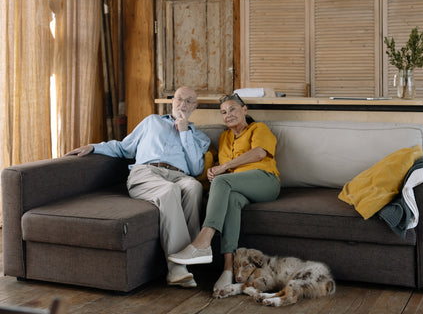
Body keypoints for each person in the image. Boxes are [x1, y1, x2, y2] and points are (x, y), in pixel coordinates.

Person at [66, 86, 211, 288]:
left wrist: (185, 130)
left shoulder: (200, 137)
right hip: (146, 173)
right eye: (179, 99)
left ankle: (191, 253)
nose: (183, 104)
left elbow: (196, 169)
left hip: (179, 175)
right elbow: (124, 148)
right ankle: (176, 268)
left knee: (193, 187)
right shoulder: (152, 122)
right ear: (172, 101)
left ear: (195, 106)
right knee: (170, 191)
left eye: (188, 101)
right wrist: (94, 147)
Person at [167, 93, 281, 296]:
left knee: (222, 180)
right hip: (239, 188)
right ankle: (228, 269)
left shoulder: (258, 128)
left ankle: (202, 242)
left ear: (244, 110)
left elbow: (259, 153)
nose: (228, 115)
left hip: (265, 181)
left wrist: (223, 168)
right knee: (232, 200)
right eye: (223, 112)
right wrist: (213, 170)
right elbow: (224, 171)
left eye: (233, 109)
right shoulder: (224, 138)